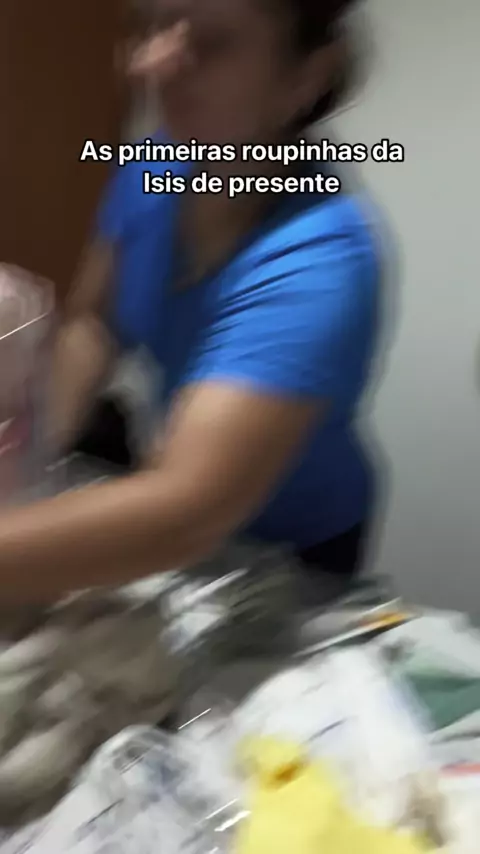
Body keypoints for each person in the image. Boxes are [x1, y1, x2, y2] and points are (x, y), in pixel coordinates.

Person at [0, 0, 380, 602]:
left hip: (294, 550)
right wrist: (37, 461)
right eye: (150, 28)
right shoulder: (155, 163)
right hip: (176, 511)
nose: (148, 62)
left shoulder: (320, 263)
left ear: (306, 78)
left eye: (212, 43)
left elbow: (186, 511)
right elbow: (94, 324)